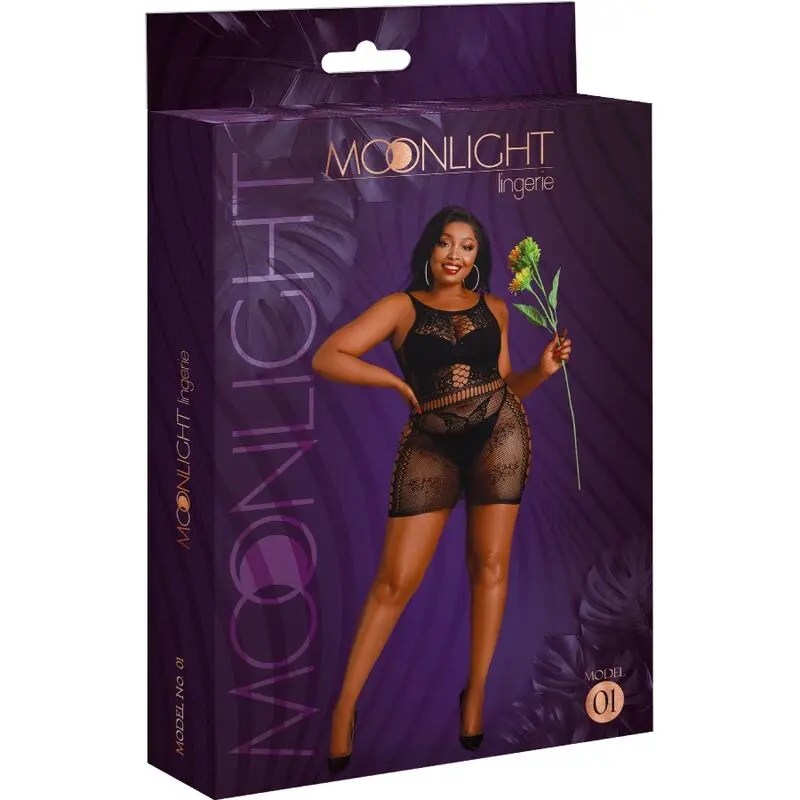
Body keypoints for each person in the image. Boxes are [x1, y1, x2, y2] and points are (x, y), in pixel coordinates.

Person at [311, 206, 572, 773]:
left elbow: (507, 387)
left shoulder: (496, 309)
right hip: (431, 444)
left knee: (491, 567)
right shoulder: (400, 307)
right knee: (394, 581)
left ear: (477, 258)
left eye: (468, 246)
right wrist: (392, 381)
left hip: (500, 437)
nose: (456, 255)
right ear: (430, 249)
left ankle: (474, 692)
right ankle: (345, 706)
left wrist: (543, 371)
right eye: (446, 243)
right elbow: (328, 356)